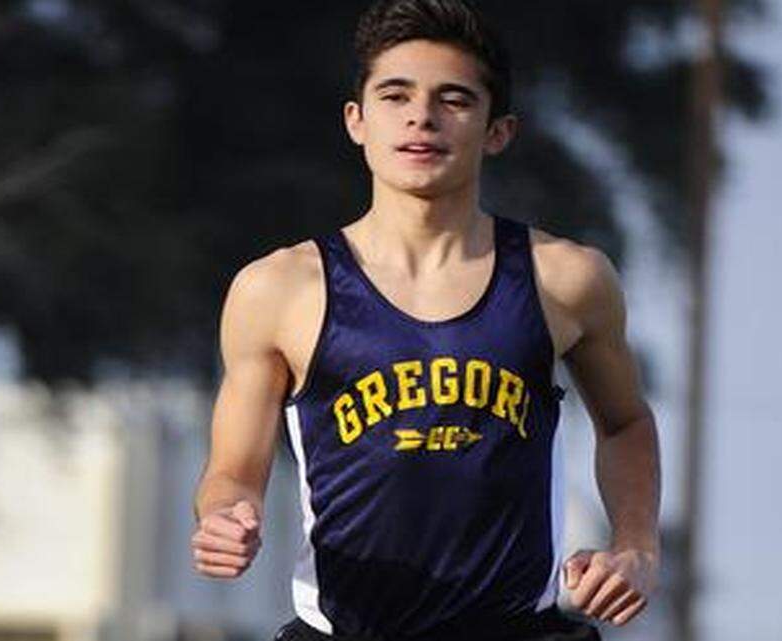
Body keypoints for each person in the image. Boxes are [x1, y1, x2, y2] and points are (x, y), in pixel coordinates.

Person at [190, 0, 662, 639]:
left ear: (498, 131)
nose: (421, 116)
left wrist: (636, 546)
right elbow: (233, 473)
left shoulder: (565, 279)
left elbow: (626, 423)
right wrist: (225, 518)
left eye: (455, 99)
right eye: (395, 95)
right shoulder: (278, 289)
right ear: (356, 120)